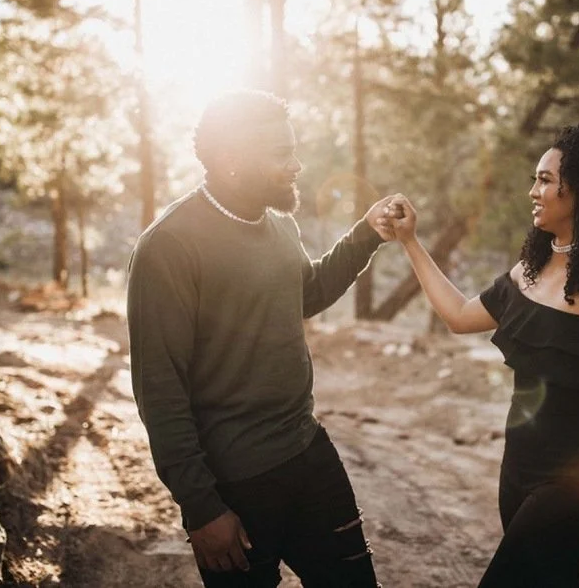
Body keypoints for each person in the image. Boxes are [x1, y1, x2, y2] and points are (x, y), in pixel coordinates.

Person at [126, 90, 394, 587]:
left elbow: (304, 294)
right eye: (280, 154)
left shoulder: (279, 224)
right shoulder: (167, 247)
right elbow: (160, 391)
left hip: (307, 452)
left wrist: (367, 233)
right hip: (235, 484)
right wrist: (202, 508)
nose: (296, 165)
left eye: (294, 150)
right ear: (231, 160)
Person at [379, 121, 579, 588]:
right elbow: (459, 316)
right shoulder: (532, 270)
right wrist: (411, 241)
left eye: (546, 180)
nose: (534, 190)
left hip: (575, 489)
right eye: (536, 178)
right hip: (517, 476)